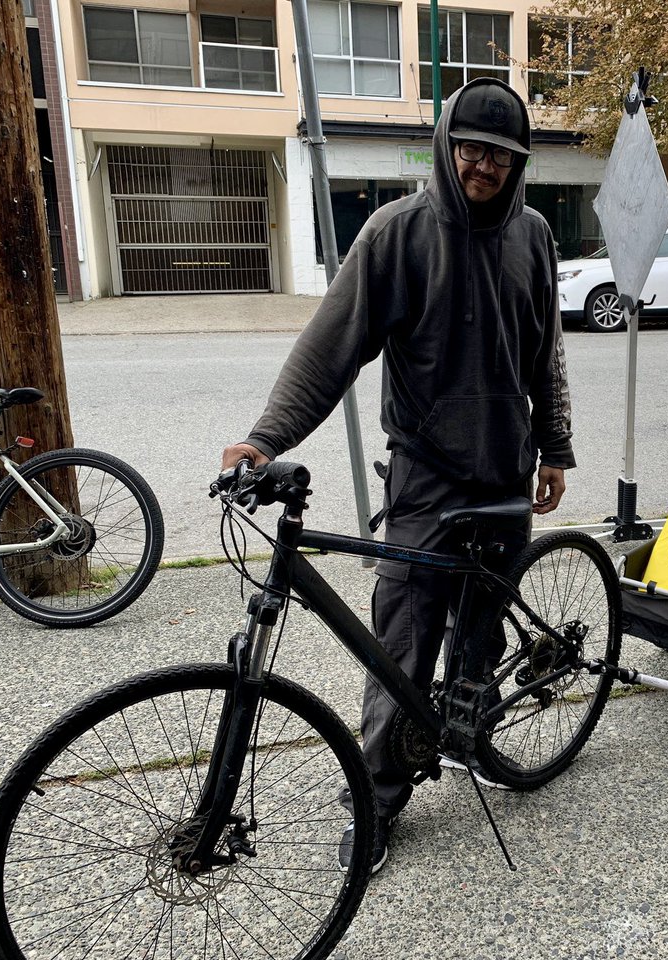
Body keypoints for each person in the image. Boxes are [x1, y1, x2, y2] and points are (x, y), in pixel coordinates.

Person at [220, 77, 575, 872]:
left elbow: (545, 352)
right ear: (449, 146)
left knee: (480, 636)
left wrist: (556, 446)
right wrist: (262, 441)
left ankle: (477, 733)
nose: (485, 166)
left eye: (503, 155)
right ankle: (380, 799)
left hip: (506, 478)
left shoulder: (535, 238)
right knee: (400, 647)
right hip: (424, 481)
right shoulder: (397, 233)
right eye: (473, 149)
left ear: (520, 164)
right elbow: (328, 350)